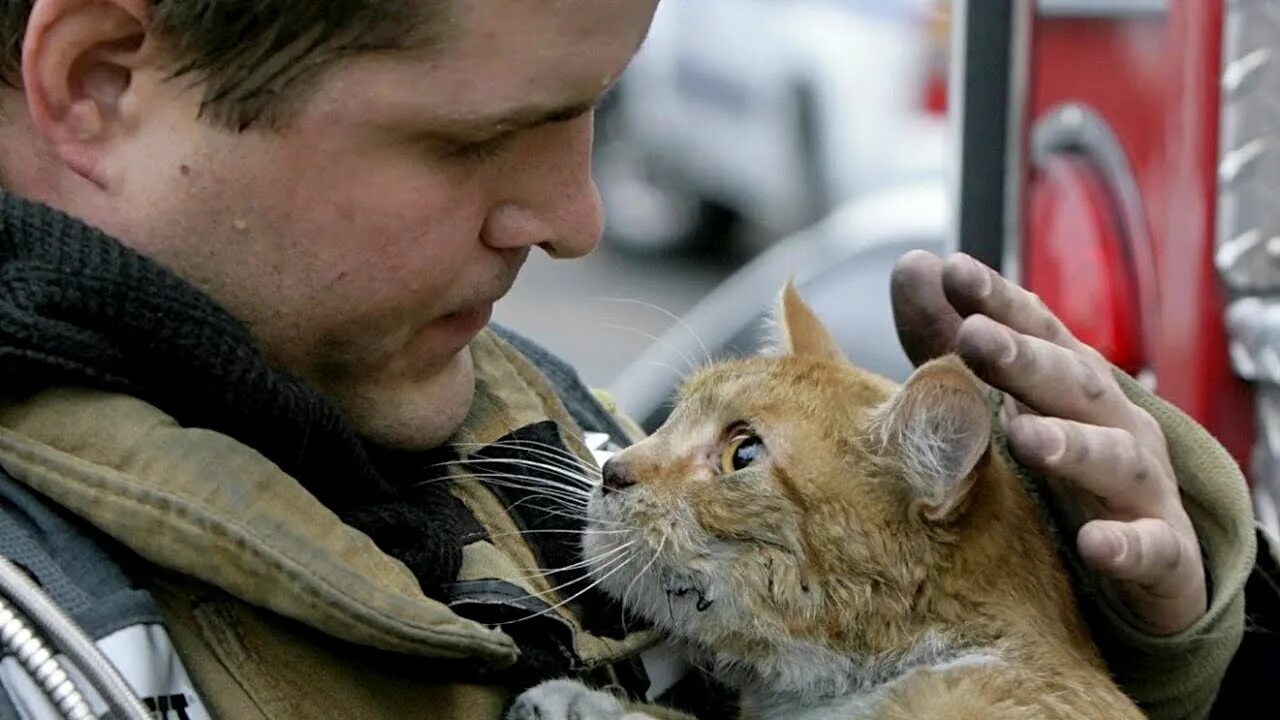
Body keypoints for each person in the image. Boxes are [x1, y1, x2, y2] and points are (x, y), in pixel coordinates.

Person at [0, 1, 1265, 718]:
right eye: (476, 138)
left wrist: (1150, 646)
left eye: (596, 109)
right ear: (99, 79)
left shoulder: (513, 404)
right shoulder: (40, 621)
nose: (581, 220)